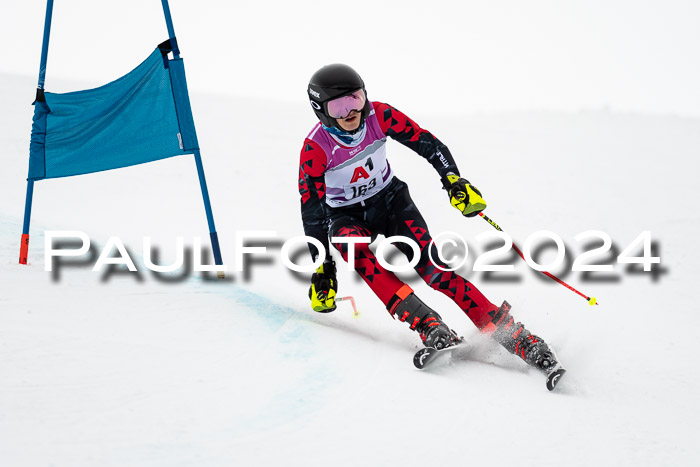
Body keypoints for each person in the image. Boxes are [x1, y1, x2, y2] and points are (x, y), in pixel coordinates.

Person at [298, 63, 558, 374]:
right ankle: (428, 324)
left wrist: (453, 180)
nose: (350, 111)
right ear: (320, 111)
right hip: (345, 215)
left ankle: (515, 336)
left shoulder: (380, 115)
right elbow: (312, 210)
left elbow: (429, 144)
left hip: (391, 201)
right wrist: (323, 265)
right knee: (358, 253)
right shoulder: (315, 148)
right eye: (338, 106)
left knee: (434, 270)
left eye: (355, 99)